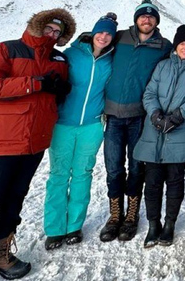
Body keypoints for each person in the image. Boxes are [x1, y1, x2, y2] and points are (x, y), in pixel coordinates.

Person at [0, 9, 75, 281]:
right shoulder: (6, 49)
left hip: (34, 141)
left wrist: (61, 89)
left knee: (15, 197)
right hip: (1, 138)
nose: (53, 35)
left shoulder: (58, 59)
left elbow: (57, 92)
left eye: (58, 33)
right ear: (38, 26)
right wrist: (34, 83)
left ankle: (0, 253)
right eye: (49, 29)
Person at [43, 13, 118, 251]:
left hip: (92, 126)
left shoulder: (111, 59)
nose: (104, 37)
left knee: (83, 174)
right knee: (58, 175)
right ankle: (54, 229)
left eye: (109, 34)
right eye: (101, 32)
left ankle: (74, 226)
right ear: (93, 32)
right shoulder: (71, 55)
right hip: (63, 124)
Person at [100, 0, 172, 242]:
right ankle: (114, 215)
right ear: (136, 19)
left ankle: (131, 216)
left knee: (136, 168)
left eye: (151, 17)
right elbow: (95, 41)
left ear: (156, 22)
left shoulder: (163, 46)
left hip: (140, 118)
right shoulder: (120, 38)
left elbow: (180, 64)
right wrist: (103, 25)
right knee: (113, 168)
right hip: (113, 117)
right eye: (143, 16)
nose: (147, 19)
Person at [135, 24, 185, 248]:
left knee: (175, 180)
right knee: (153, 182)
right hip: (155, 131)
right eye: (182, 43)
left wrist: (178, 115)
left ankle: (170, 225)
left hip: (181, 130)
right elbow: (149, 93)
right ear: (175, 46)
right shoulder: (163, 66)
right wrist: (155, 114)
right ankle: (153, 225)